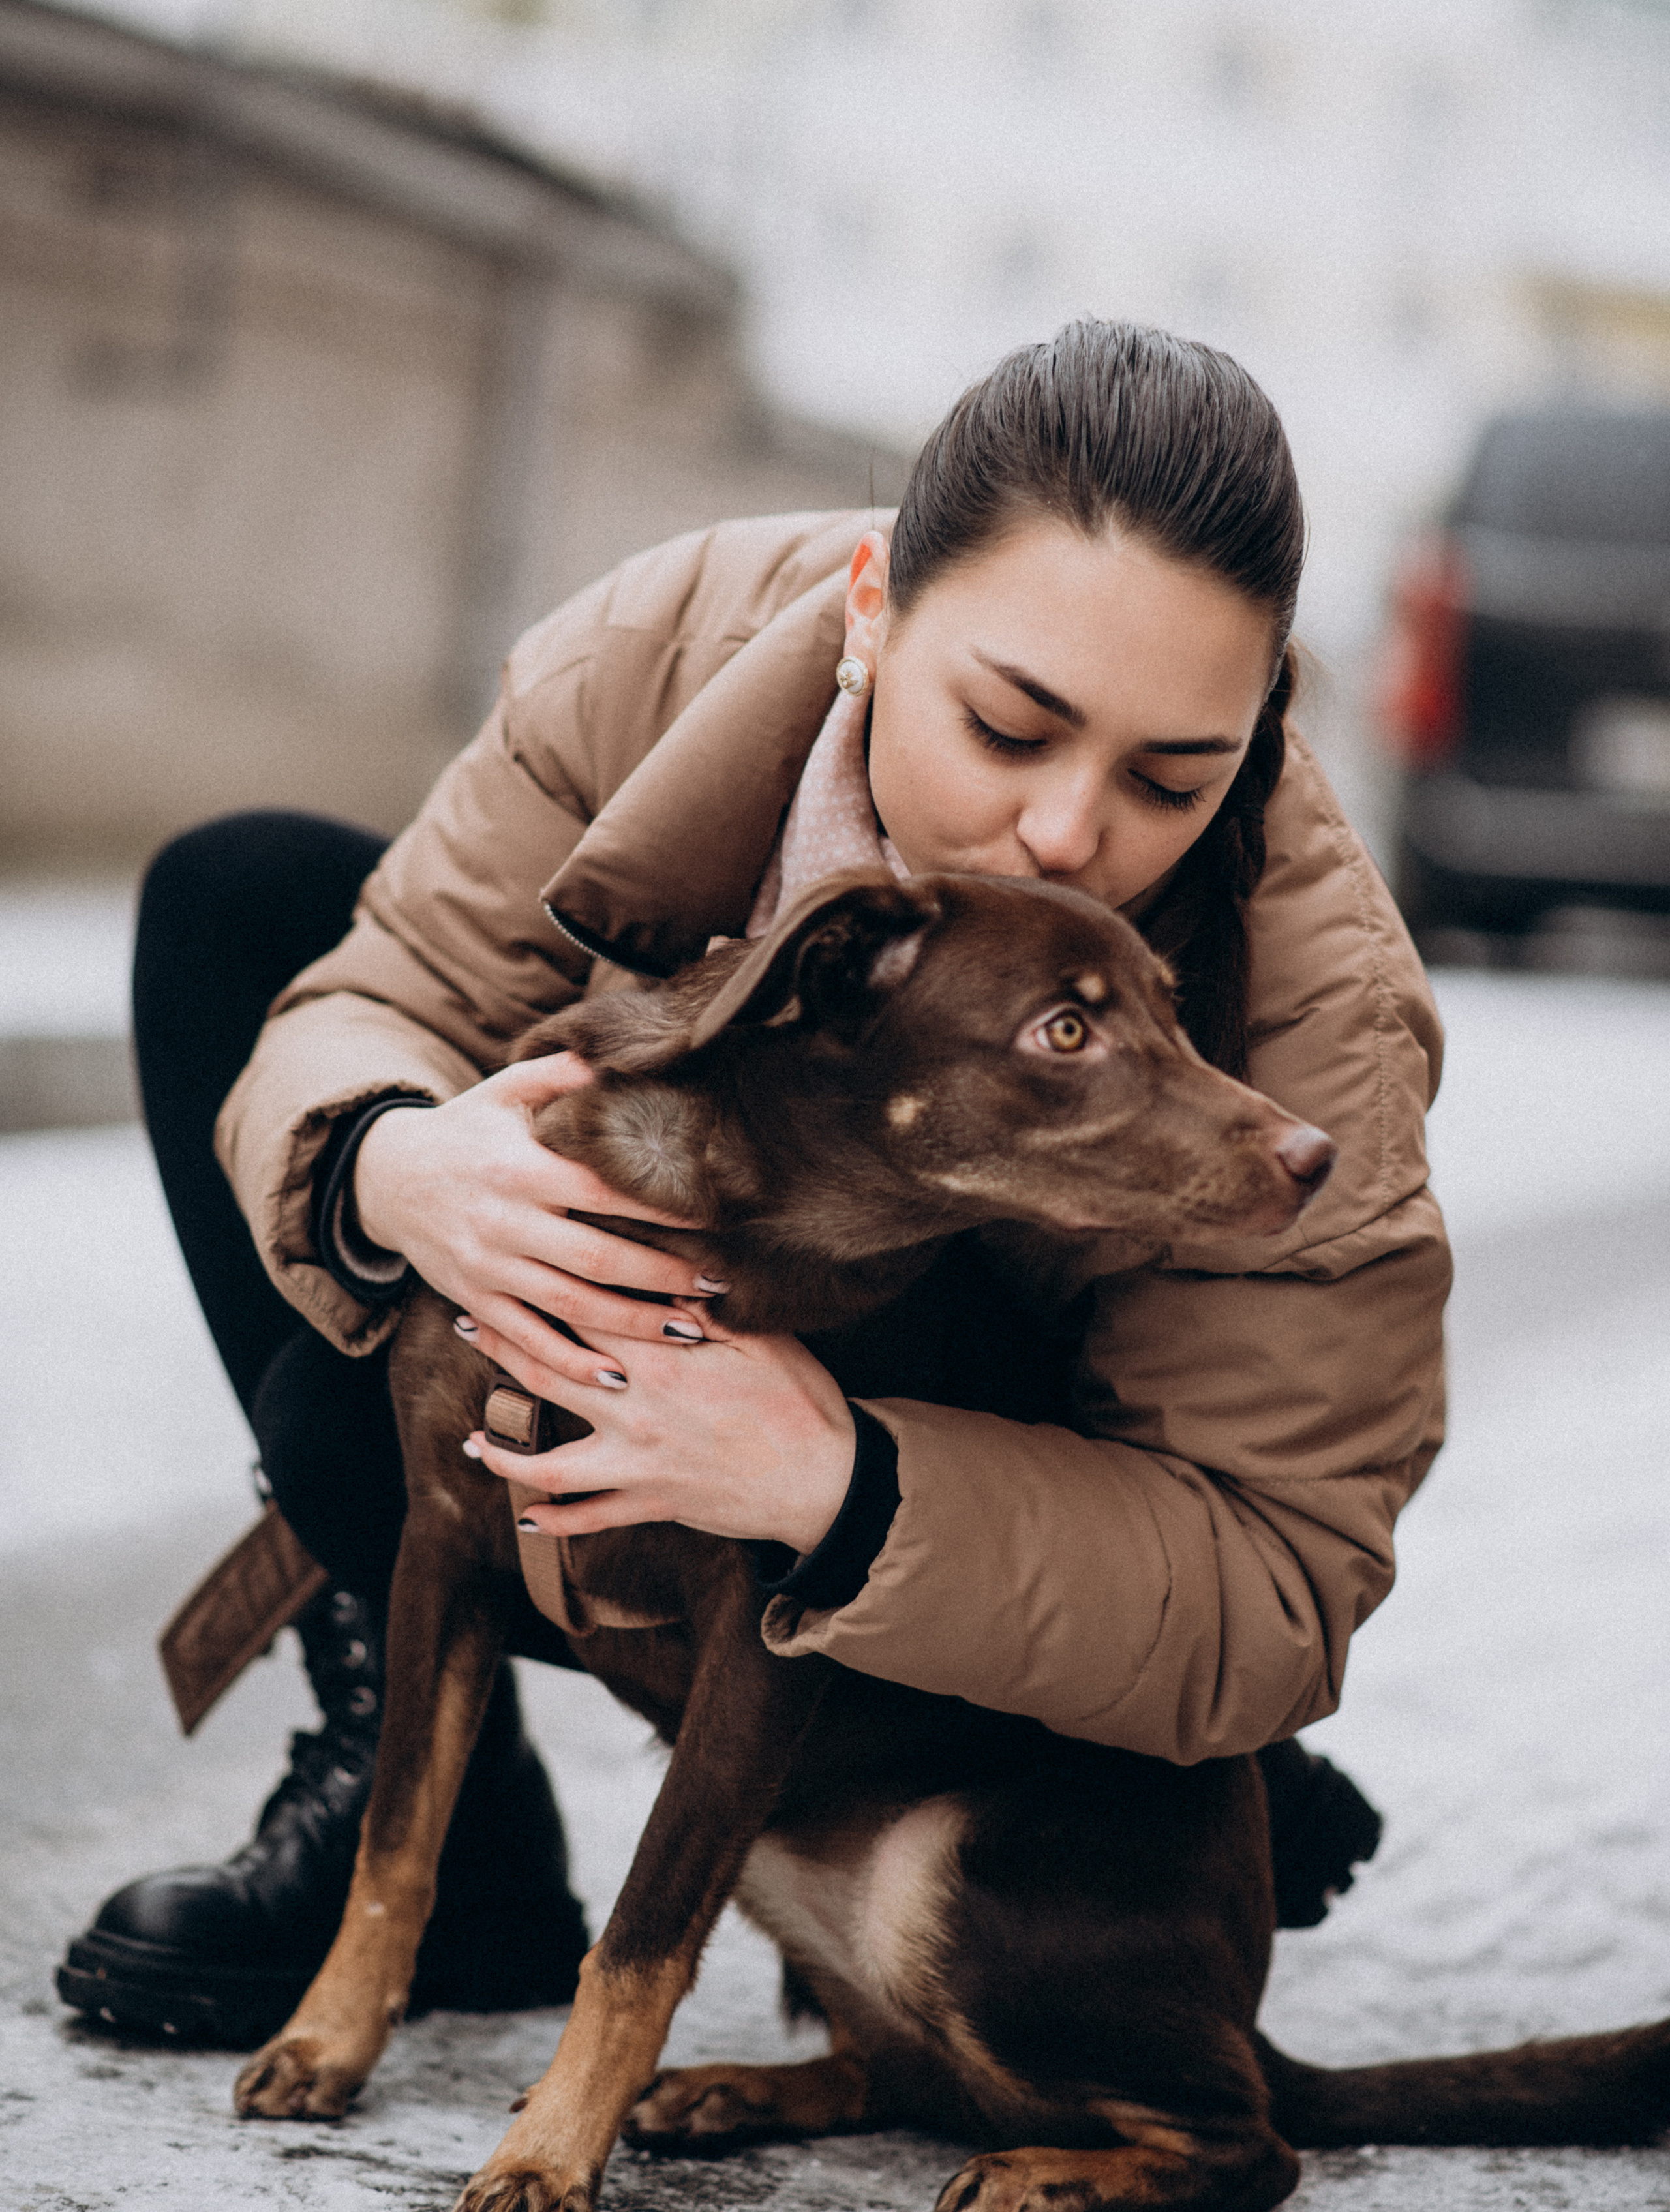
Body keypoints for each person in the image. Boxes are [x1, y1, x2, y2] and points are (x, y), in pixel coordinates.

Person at [59, 320, 1444, 2048]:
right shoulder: (660, 655)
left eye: (1174, 777)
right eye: (1006, 728)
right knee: (246, 909)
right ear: (873, 609)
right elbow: (385, 989)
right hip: (657, 1329)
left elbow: (1276, 1582)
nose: (1069, 833)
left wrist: (848, 1489)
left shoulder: (1324, 1019)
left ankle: (1107, 1777)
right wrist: (397, 1163)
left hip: (987, 1483)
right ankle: (442, 1830)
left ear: (1262, 728)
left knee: (971, 1346)